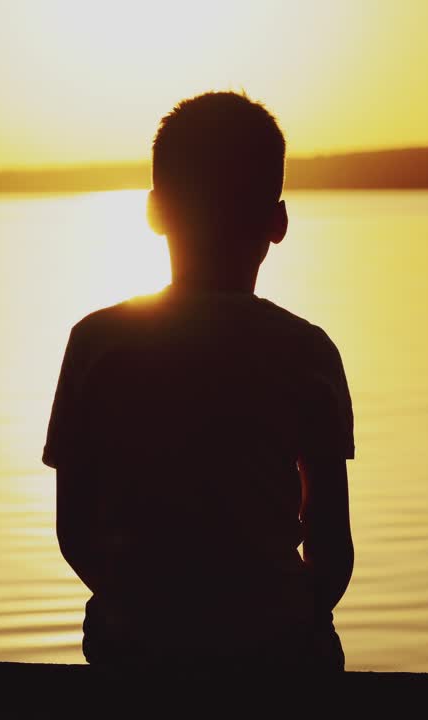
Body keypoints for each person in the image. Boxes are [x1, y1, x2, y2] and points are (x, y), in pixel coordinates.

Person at [43, 91, 354, 668]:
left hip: (135, 646)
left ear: (155, 213)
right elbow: (332, 552)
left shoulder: (97, 344)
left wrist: (143, 607)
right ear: (277, 222)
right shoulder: (307, 353)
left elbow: (76, 531)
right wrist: (278, 616)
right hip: (276, 651)